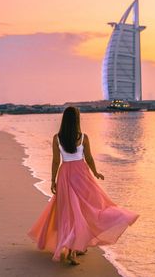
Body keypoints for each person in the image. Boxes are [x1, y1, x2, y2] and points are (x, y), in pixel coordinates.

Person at [28, 106, 139, 265]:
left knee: (70, 213)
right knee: (89, 209)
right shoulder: (83, 137)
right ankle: (74, 250)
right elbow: (89, 158)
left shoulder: (57, 138)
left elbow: (55, 161)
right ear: (77, 120)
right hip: (82, 176)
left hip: (65, 174)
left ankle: (75, 247)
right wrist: (95, 172)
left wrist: (53, 180)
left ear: (64, 120)